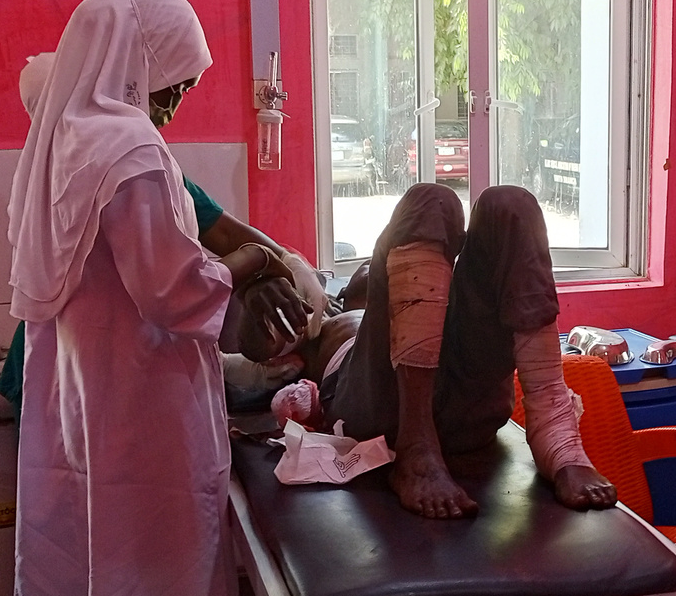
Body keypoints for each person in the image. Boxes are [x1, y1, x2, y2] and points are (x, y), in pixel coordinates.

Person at [7, 0, 312, 596]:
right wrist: (253, 262)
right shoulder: (131, 147)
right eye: (175, 84)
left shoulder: (67, 142)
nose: (174, 105)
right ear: (140, 62)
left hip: (93, 406)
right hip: (148, 416)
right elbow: (174, 290)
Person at [242, 182, 619, 519]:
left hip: (470, 410)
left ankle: (557, 435)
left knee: (510, 204)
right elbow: (256, 350)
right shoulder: (323, 320)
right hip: (384, 413)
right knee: (429, 200)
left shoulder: (434, 300)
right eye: (370, 271)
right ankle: (417, 446)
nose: (369, 271)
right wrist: (257, 290)